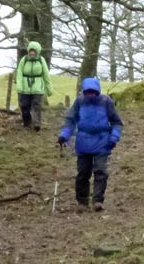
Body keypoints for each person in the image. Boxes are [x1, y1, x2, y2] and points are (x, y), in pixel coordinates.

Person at [57, 78, 123, 212]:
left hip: (102, 142)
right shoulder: (79, 102)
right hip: (83, 142)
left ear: (97, 91)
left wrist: (114, 137)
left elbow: (117, 122)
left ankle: (98, 201)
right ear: (84, 92)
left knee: (100, 171)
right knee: (83, 173)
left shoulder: (106, 102)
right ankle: (82, 202)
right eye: (88, 92)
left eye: (93, 92)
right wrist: (64, 135)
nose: (91, 95)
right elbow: (71, 120)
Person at [16, 41, 53, 131]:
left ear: (37, 51)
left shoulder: (41, 60)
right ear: (28, 51)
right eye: (31, 51)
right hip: (25, 88)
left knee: (36, 105)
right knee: (24, 106)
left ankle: (37, 124)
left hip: (37, 88)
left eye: (34, 51)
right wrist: (19, 87)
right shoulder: (24, 60)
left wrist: (49, 88)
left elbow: (46, 74)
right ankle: (27, 122)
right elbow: (19, 73)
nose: (32, 53)